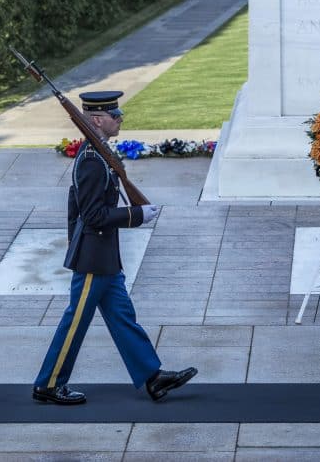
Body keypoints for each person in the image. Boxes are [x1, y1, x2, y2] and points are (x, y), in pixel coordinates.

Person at [32, 90, 197, 405]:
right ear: (96, 119)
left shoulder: (99, 154)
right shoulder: (93, 161)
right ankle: (48, 384)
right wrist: (135, 215)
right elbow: (91, 214)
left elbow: (74, 205)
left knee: (122, 316)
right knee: (75, 322)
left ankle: (152, 376)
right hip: (93, 259)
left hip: (103, 256)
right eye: (114, 115)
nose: (120, 118)